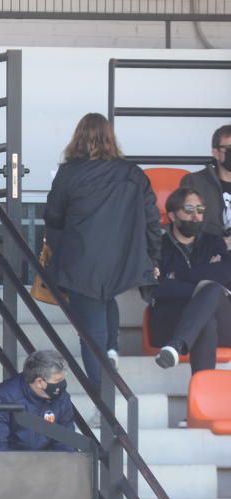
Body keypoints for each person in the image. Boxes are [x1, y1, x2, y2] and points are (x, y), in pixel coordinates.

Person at [44, 112, 160, 391]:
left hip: (81, 259)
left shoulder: (68, 172)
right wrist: (153, 258)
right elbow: (152, 219)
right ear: (111, 138)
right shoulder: (133, 173)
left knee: (89, 332)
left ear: (78, 138)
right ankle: (111, 348)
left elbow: (53, 216)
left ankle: (101, 396)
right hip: (123, 258)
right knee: (106, 299)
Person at [151, 188, 231, 372]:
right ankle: (202, 396)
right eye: (189, 210)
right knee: (206, 319)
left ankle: (177, 347)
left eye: (200, 210)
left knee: (212, 288)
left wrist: (178, 276)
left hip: (224, 325)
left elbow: (226, 272)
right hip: (171, 321)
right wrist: (205, 276)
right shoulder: (158, 247)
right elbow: (158, 288)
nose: (196, 216)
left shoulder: (213, 241)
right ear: (172, 215)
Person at [0, 350, 76, 452]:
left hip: (42, 464)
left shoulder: (61, 398)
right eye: (58, 380)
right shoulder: (3, 397)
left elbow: (66, 441)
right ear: (39, 382)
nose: (62, 384)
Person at [180, 124, 231, 240]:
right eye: (230, 148)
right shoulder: (195, 183)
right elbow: (189, 222)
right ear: (216, 153)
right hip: (209, 253)